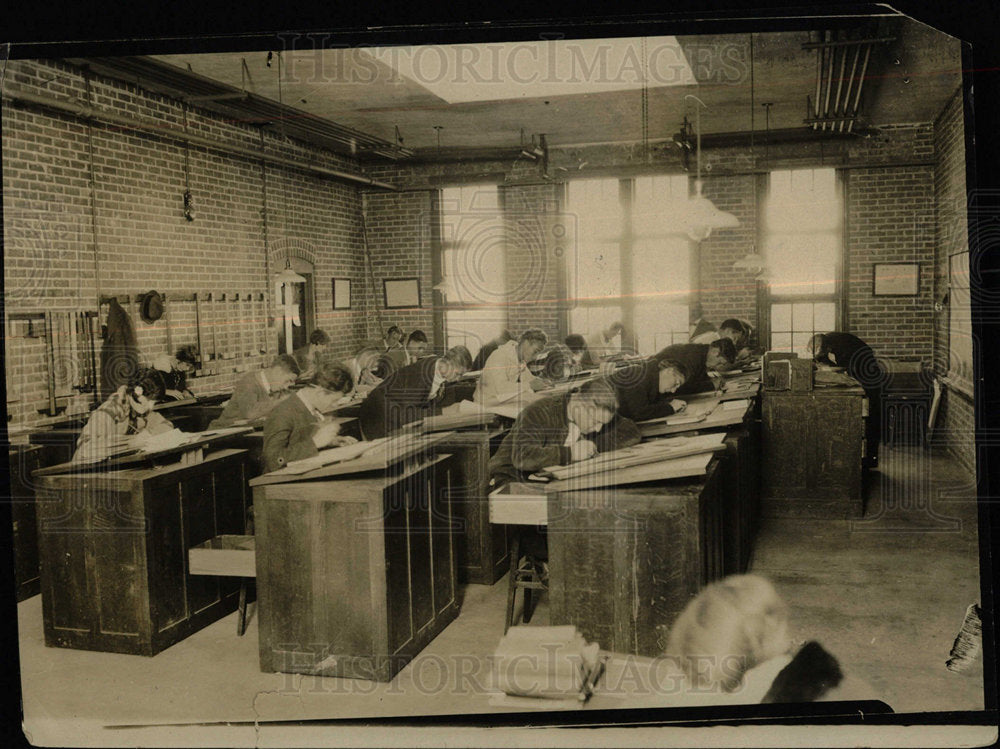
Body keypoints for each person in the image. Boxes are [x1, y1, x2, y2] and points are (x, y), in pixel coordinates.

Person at [488, 377, 642, 487]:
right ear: (581, 404)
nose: (598, 429)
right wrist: (571, 453)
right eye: (596, 422)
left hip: (549, 478)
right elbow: (523, 457)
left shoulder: (596, 410)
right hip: (512, 478)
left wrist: (591, 446)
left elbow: (631, 431)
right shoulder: (539, 411)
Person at [261, 354, 358, 473]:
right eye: (334, 400)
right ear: (320, 393)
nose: (335, 405)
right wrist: (316, 442)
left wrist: (331, 442)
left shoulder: (309, 408)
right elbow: (273, 461)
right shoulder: (282, 413)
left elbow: (300, 444)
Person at [359, 345, 473, 440]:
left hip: (402, 415)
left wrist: (449, 411)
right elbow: (408, 415)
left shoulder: (447, 377)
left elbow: (445, 407)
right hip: (379, 416)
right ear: (446, 363)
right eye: (458, 374)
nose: (458, 379)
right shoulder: (419, 374)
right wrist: (444, 411)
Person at [809, 331, 883, 467]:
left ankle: (870, 460)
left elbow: (846, 368)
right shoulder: (827, 340)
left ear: (828, 349)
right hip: (860, 371)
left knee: (871, 418)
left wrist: (827, 368)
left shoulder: (843, 347)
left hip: (869, 378)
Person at [72, 371, 175, 462]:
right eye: (149, 402)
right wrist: (130, 443)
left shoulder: (142, 410)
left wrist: (149, 434)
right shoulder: (108, 411)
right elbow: (85, 448)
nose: (151, 407)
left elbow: (167, 425)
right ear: (137, 396)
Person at [209, 354, 299, 429]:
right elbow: (250, 413)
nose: (287, 387)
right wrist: (280, 401)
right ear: (278, 371)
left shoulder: (277, 389)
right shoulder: (249, 382)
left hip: (246, 433)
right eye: (288, 381)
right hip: (222, 433)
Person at [474, 328, 550, 406]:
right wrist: (530, 385)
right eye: (535, 351)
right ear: (526, 343)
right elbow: (501, 388)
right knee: (530, 401)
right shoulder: (500, 356)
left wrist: (542, 382)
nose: (535, 357)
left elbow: (528, 379)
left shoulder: (519, 359)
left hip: (499, 400)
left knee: (532, 398)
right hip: (485, 403)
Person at [609, 358, 690, 422]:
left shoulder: (649, 377)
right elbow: (638, 412)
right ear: (669, 371)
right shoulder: (639, 375)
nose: (673, 391)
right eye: (676, 383)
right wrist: (670, 408)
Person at [652, 339, 737, 394]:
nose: (718, 367)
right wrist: (710, 385)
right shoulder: (694, 355)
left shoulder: (701, 353)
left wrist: (711, 380)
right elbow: (682, 388)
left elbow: (697, 377)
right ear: (715, 351)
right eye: (720, 362)